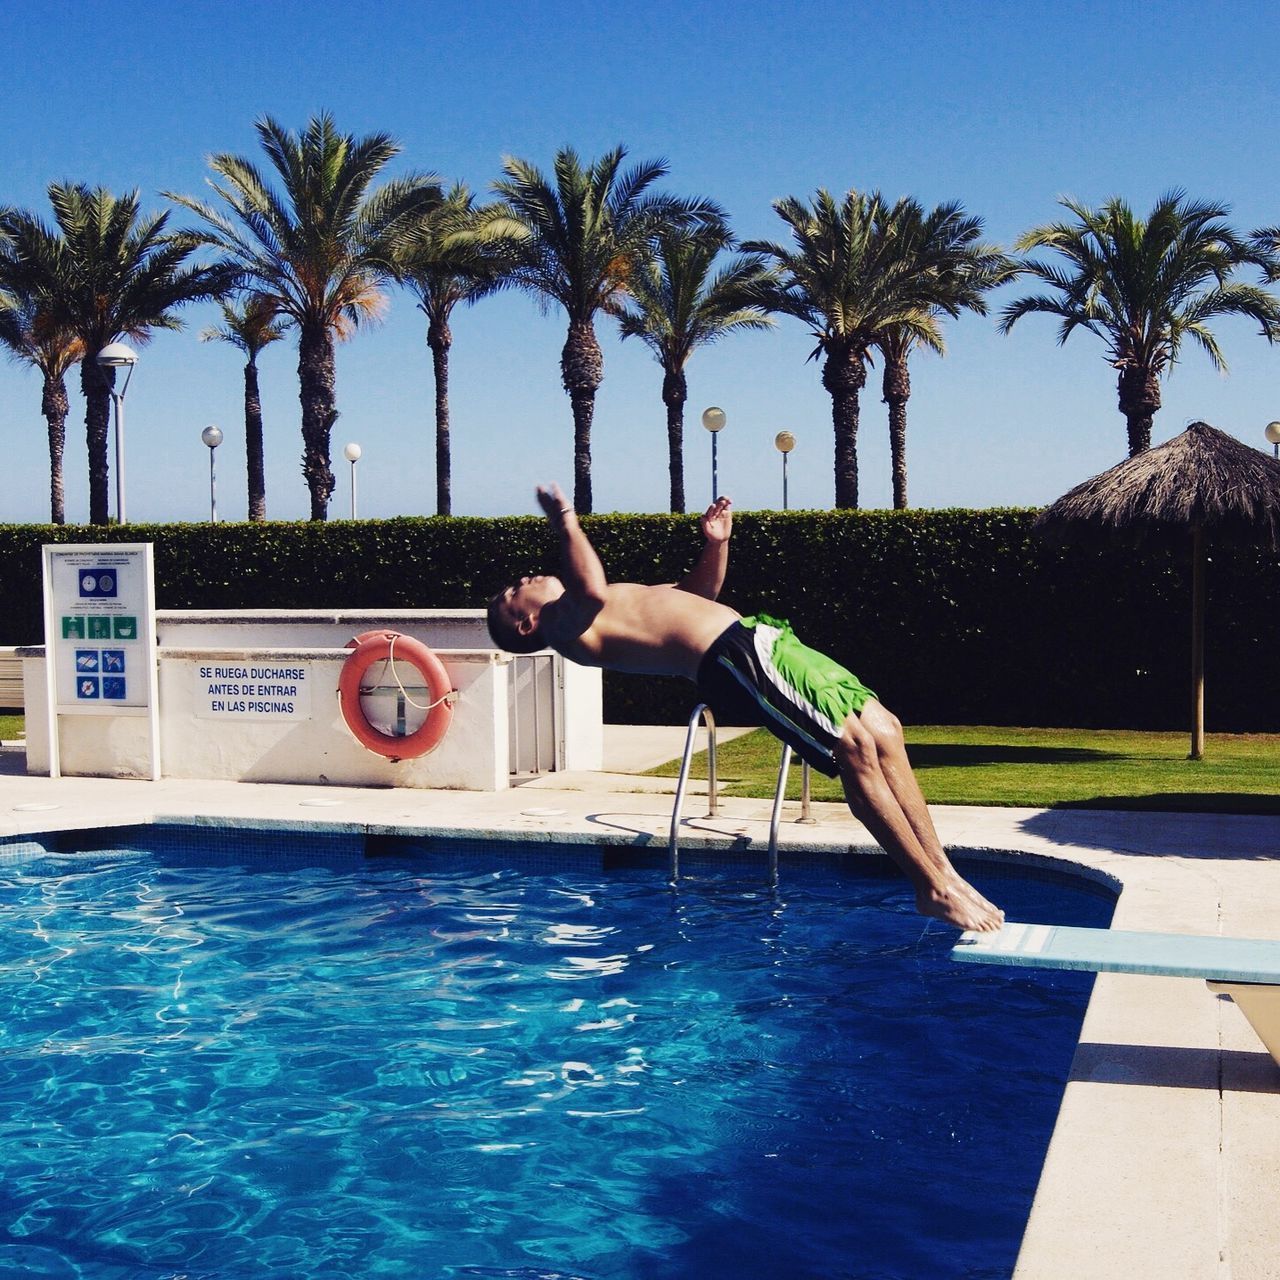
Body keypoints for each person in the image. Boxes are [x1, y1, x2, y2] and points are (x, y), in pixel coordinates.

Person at [487, 483, 1004, 932]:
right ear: (527, 626)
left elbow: (698, 595)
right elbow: (592, 589)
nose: (524, 578)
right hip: (733, 660)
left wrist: (717, 545)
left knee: (885, 730)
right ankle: (928, 887)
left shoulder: (591, 605)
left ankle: (943, 872)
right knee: (855, 750)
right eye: (515, 592)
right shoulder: (567, 627)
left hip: (760, 639)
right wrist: (565, 520)